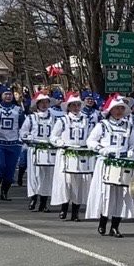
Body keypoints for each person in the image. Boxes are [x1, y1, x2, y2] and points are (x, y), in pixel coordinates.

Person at [85, 94, 134, 237]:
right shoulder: (103, 125)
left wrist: (131, 152)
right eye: (116, 108)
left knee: (121, 195)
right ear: (110, 110)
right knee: (106, 193)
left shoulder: (128, 126)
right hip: (107, 163)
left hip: (123, 163)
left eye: (122, 108)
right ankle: (103, 221)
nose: (119, 111)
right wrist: (101, 149)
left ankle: (115, 226)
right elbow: (91, 141)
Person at [50, 92, 93, 221]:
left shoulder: (86, 120)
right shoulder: (62, 120)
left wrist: (90, 145)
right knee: (66, 182)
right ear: (68, 107)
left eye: (78, 105)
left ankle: (75, 211)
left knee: (79, 183)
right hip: (66, 153)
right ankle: (64, 207)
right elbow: (53, 137)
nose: (76, 107)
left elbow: (91, 136)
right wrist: (60, 143)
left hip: (81, 154)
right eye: (73, 105)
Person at [20, 90, 58, 212]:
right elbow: (23, 133)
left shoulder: (54, 119)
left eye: (46, 102)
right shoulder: (31, 118)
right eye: (41, 102)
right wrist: (29, 138)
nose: (44, 105)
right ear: (37, 104)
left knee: (47, 176)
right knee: (34, 175)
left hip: (49, 150)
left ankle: (44, 202)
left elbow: (58, 133)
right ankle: (33, 198)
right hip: (35, 149)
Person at [0, 86, 24, 201]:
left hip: (13, 144)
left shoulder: (18, 110)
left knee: (10, 170)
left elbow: (24, 125)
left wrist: (24, 137)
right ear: (1, 95)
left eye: (10, 94)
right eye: (6, 94)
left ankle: (5, 192)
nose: (8, 96)